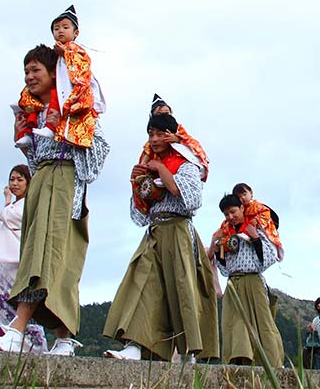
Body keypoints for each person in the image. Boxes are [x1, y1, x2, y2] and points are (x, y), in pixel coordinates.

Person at [0, 45, 110, 356]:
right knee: (46, 256)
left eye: (35, 70)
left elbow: (100, 151)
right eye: (26, 72)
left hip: (66, 182)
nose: (29, 77)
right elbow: (36, 163)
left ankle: (17, 329)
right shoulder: (35, 112)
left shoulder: (75, 108)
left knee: (50, 256)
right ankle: (63, 338)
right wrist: (26, 145)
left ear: (55, 74)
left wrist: (63, 127)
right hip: (42, 185)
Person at [102, 112, 218, 361]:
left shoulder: (187, 164)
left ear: (170, 136)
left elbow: (186, 196)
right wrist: (139, 182)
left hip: (179, 231)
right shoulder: (147, 164)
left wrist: (160, 168)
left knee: (182, 291)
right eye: (150, 134)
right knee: (143, 283)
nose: (153, 139)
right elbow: (141, 210)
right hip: (155, 231)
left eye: (158, 134)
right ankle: (134, 345)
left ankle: (188, 351)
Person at [0, 165, 47, 353]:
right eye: (12, 179)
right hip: (3, 263)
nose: (14, 184)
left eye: (20, 180)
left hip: (16, 264)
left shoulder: (29, 205)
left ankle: (27, 346)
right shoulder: (16, 205)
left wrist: (7, 200)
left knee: (16, 308)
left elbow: (9, 216)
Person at [206, 193, 284, 366]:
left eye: (233, 212)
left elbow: (270, 257)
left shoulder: (257, 225)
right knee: (233, 323)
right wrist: (217, 244)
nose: (230, 217)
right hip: (233, 282)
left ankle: (272, 363)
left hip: (253, 280)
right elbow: (224, 267)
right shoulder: (225, 233)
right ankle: (238, 362)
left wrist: (255, 237)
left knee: (262, 322)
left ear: (242, 207)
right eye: (226, 215)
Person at [14, 6, 106, 150]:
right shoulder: (38, 111)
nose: (30, 77)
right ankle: (27, 135)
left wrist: (67, 54)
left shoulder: (75, 51)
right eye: (56, 29)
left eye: (36, 70)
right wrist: (19, 135)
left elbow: (100, 148)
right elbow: (35, 160)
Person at [137, 94, 210, 181]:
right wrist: (142, 167)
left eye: (166, 113)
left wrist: (177, 138)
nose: (155, 139)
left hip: (176, 166)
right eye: (159, 113)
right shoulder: (152, 140)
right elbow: (147, 151)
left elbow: (188, 140)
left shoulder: (177, 128)